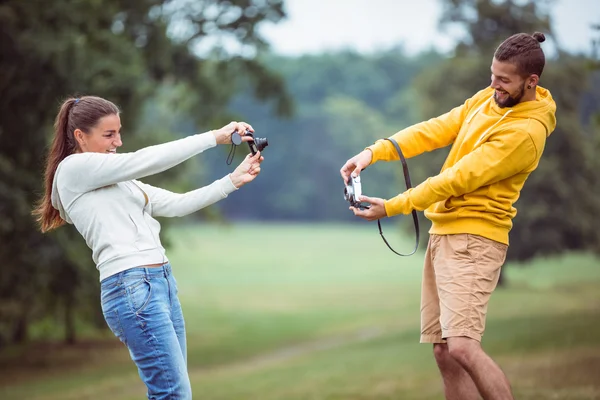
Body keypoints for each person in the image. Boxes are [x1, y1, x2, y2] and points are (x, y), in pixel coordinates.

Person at [340, 32, 556, 400]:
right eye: (493, 75)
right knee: (444, 352)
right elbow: (436, 129)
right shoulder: (489, 99)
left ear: (531, 82)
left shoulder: (525, 133)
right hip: (445, 233)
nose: (494, 86)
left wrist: (393, 206)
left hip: (475, 241)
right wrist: (373, 153)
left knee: (463, 348)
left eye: (503, 80)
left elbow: (457, 179)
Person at [33, 95, 263, 399]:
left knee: (173, 394)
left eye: (119, 132)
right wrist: (213, 137)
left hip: (161, 284)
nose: (118, 141)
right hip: (131, 287)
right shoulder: (73, 170)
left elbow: (177, 204)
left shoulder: (120, 180)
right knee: (173, 394)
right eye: (109, 134)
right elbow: (146, 159)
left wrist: (232, 180)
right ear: (80, 136)